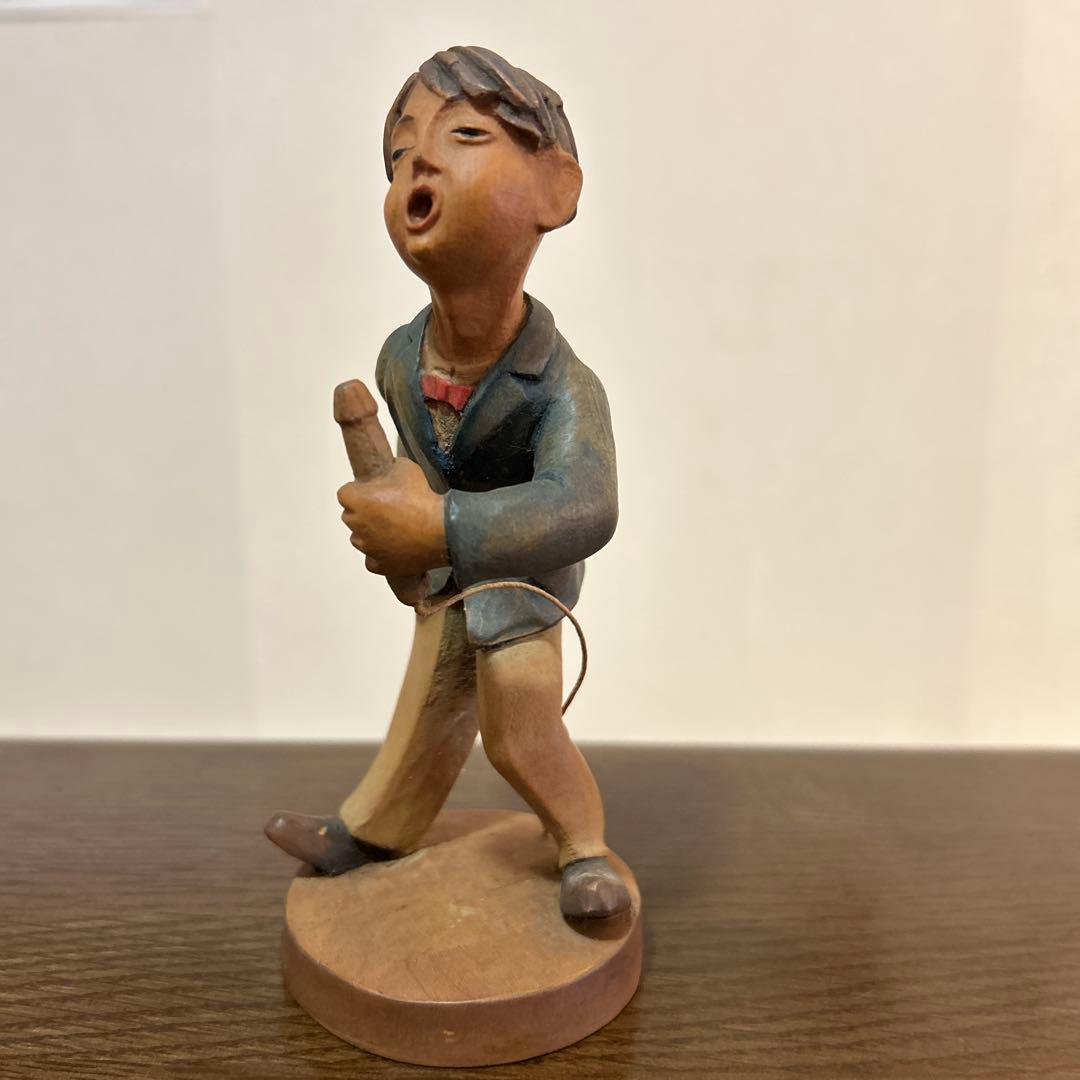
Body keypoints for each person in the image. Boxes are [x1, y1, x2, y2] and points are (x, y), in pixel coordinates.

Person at [265, 46, 629, 919]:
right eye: (399, 155)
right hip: (445, 586)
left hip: (523, 590)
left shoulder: (564, 385)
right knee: (425, 714)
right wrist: (393, 522)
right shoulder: (400, 359)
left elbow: (586, 504)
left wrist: (437, 528)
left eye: (464, 135)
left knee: (518, 726)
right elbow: (415, 471)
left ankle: (583, 847)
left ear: (556, 189)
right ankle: (372, 833)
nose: (419, 163)